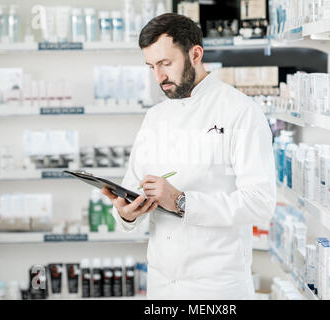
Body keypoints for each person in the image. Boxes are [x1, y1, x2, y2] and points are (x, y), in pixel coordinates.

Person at [102, 13, 276, 300]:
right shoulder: (154, 117)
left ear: (195, 54)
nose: (158, 77)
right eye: (151, 67)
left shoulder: (240, 111)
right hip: (162, 285)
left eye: (165, 64)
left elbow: (260, 203)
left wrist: (182, 202)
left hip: (217, 288)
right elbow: (132, 186)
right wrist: (126, 213)